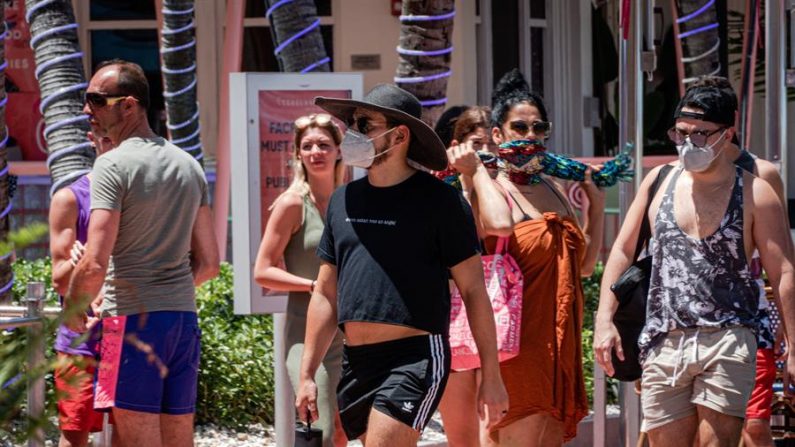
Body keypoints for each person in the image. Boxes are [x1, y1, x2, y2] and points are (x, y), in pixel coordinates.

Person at [294, 84, 509, 447]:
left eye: (365, 124)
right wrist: (306, 374)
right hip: (357, 361)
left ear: (400, 134)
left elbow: (474, 291)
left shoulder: (441, 202)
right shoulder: (342, 200)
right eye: (353, 124)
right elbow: (326, 292)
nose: (354, 133)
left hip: (415, 358)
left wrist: (492, 375)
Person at [594, 79, 795, 447]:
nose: (689, 143)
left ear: (727, 133)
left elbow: (782, 270)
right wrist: (604, 319)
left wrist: (793, 341)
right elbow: (623, 251)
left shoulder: (755, 190)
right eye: (681, 132)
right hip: (663, 338)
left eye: (702, 134)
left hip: (729, 336)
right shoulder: (659, 180)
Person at [65, 59, 220, 447]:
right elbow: (211, 263)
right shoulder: (189, 166)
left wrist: (74, 307)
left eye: (97, 100)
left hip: (130, 323)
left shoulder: (111, 164)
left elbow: (95, 261)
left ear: (129, 105)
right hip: (183, 323)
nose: (88, 110)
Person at [253, 113, 347, 447]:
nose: (315, 152)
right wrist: (313, 286)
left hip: (349, 333)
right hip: (304, 335)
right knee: (319, 427)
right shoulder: (292, 204)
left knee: (342, 429)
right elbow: (262, 271)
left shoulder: (348, 201)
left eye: (324, 144)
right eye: (307, 146)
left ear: (339, 150)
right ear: (297, 155)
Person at [437, 105, 514, 447]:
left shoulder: (502, 187)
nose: (482, 151)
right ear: (456, 145)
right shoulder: (440, 191)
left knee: (490, 435)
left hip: (492, 314)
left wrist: (477, 176)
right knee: (461, 438)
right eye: (474, 143)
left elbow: (495, 227)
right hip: (449, 313)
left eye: (489, 144)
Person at [49, 133, 114, 447]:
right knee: (75, 436)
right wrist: (80, 262)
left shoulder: (143, 199)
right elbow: (59, 280)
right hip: (80, 342)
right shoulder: (70, 198)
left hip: (131, 336)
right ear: (94, 139)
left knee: (133, 432)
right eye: (108, 137)